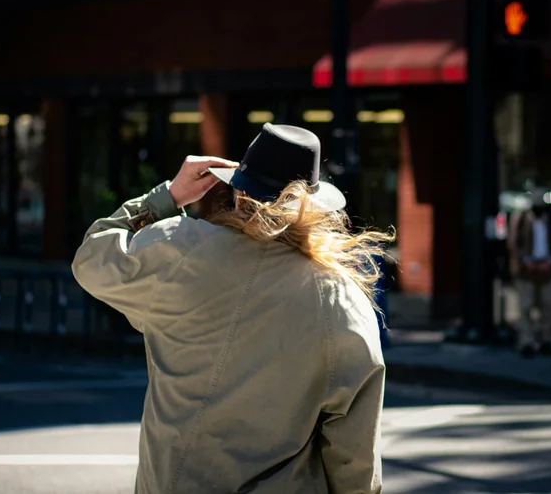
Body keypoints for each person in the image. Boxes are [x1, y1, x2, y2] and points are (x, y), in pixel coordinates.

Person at [72, 124, 392, 493]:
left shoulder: (181, 250)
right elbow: (355, 458)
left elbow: (91, 259)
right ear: (314, 208)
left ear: (239, 191)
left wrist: (169, 196)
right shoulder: (343, 299)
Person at [507, 189, 551, 356]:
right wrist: (526, 261)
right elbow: (514, 243)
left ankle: (549, 340)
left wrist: (550, 262)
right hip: (526, 269)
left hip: (548, 267)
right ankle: (527, 341)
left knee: (549, 306)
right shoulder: (522, 219)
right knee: (525, 307)